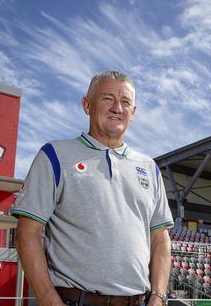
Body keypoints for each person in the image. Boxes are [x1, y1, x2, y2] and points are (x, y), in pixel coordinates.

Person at [12, 71, 174, 306]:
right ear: (87, 105)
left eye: (126, 102)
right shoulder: (55, 155)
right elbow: (27, 233)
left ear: (133, 112)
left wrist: (158, 298)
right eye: (108, 98)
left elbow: (160, 239)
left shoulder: (149, 168)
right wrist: (48, 300)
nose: (117, 107)